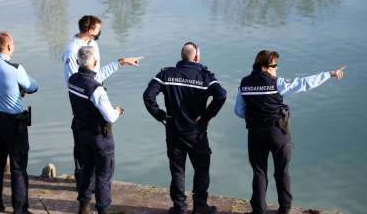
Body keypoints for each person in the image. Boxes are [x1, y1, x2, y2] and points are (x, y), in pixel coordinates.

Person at [234, 50, 345, 214]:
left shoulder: (244, 83)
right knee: (282, 171)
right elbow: (304, 83)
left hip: (255, 133)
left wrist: (256, 116)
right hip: (277, 132)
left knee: (259, 171)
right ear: (264, 67)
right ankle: (285, 209)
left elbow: (239, 111)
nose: (276, 69)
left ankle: (258, 209)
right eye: (274, 65)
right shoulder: (276, 83)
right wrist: (330, 74)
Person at [143, 42, 227, 214]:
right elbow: (222, 95)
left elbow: (148, 95)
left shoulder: (166, 74)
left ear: (182, 56)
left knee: (177, 170)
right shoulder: (205, 77)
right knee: (202, 169)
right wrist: (206, 116)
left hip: (174, 130)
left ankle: (180, 207)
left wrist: (160, 114)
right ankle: (200, 206)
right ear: (197, 57)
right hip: (197, 133)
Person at [61, 15, 142, 186]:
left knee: (98, 153)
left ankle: (92, 188)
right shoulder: (71, 51)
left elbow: (96, 75)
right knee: (84, 152)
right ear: (90, 31)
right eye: (98, 32)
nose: (99, 35)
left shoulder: (93, 45)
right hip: (85, 104)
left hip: (96, 99)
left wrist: (121, 62)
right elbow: (74, 84)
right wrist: (97, 95)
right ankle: (85, 186)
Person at [0, 31, 38, 214]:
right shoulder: (15, 68)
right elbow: (33, 86)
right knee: (18, 168)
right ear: (10, 46)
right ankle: (20, 209)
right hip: (15, 125)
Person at [68, 46, 123, 214]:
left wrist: (119, 63)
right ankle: (102, 209)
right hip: (100, 138)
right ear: (96, 62)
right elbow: (110, 117)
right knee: (103, 176)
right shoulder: (96, 89)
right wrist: (118, 111)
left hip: (82, 134)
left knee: (86, 171)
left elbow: (92, 77)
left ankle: (83, 207)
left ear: (78, 62)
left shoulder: (72, 80)